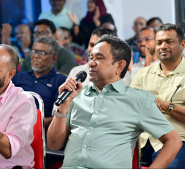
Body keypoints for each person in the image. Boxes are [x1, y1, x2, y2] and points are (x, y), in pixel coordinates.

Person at [47, 34, 182, 168]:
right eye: (91, 57)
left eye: (99, 58)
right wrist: (63, 108)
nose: (91, 63)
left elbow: (174, 141)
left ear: (119, 65)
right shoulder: (77, 95)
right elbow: (53, 144)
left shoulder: (139, 100)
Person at [131, 23, 185, 168]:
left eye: (169, 42)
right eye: (159, 42)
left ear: (182, 44)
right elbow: (129, 106)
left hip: (177, 140)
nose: (163, 46)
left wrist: (166, 107)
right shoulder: (143, 73)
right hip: (141, 139)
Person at [12, 36, 66, 129]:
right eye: (34, 51)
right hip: (13, 126)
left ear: (54, 58)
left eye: (42, 53)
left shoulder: (61, 81)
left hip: (43, 132)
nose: (36, 56)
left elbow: (59, 115)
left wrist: (32, 124)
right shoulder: (18, 77)